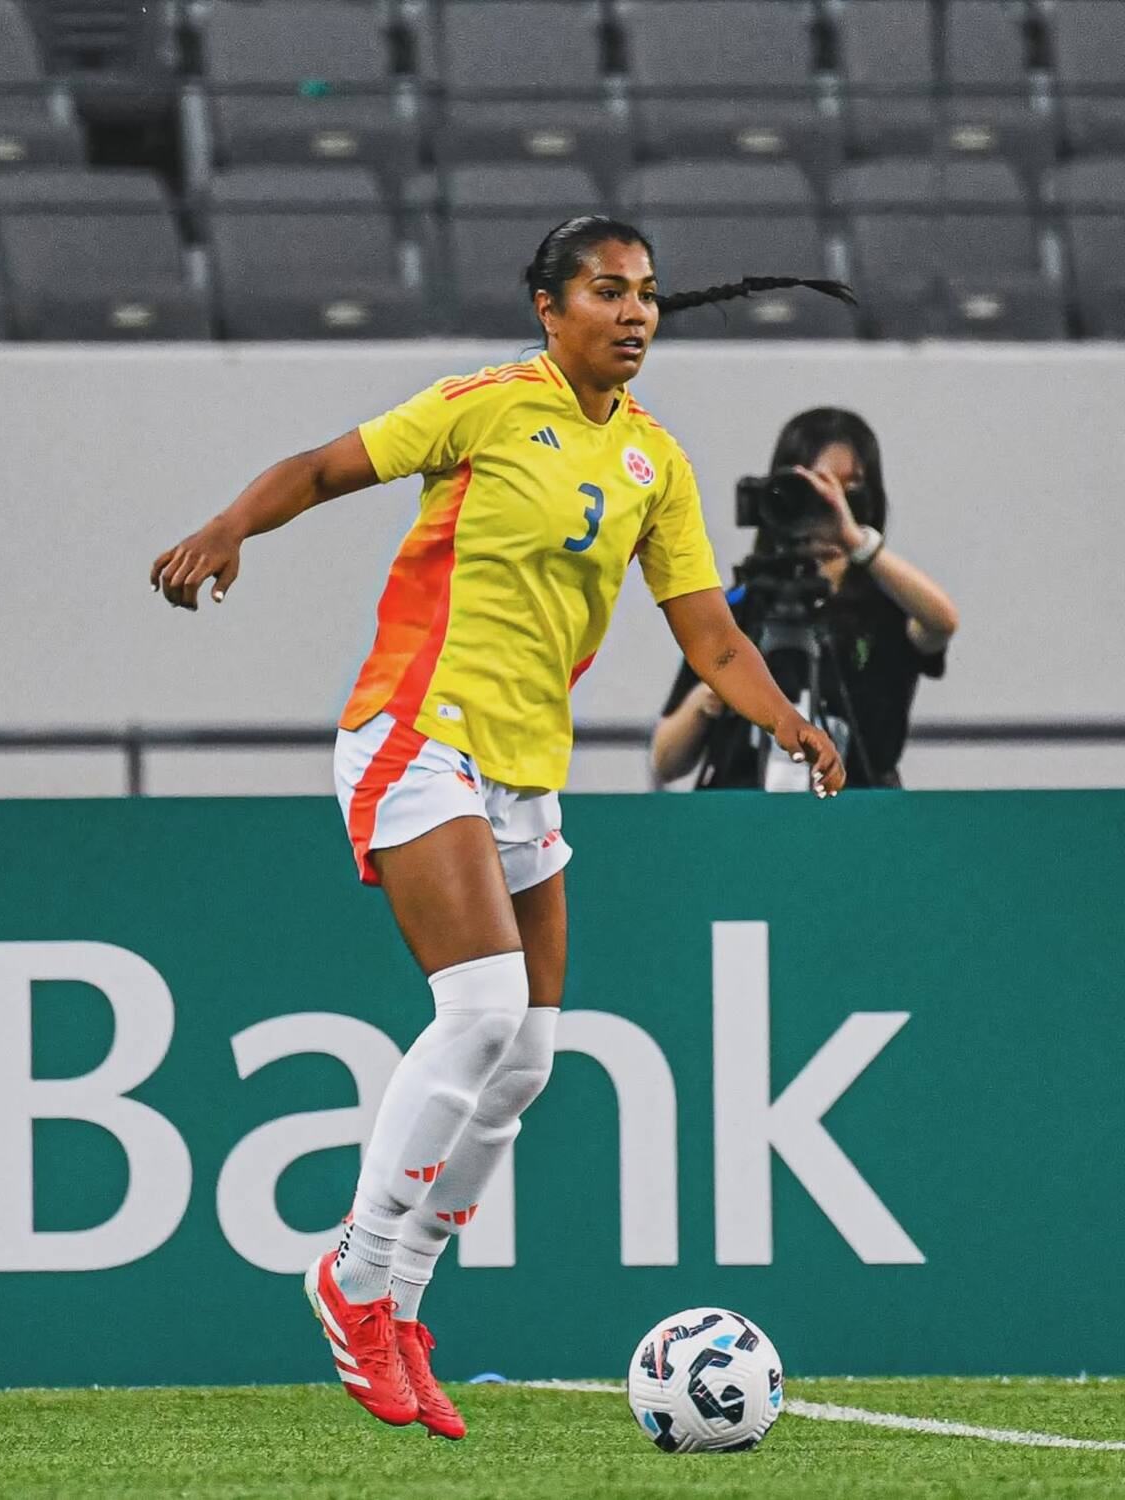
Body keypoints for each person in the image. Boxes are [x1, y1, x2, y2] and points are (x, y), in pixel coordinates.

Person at [149, 218, 847, 1441]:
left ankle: (403, 1302)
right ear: (546, 306)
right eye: (605, 291)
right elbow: (320, 468)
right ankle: (353, 1277)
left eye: (646, 295)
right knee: (474, 1017)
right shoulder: (482, 408)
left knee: (523, 1061)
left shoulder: (655, 466)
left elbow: (709, 638)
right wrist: (227, 528)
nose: (634, 313)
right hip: (418, 732)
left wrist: (790, 720)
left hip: (525, 771)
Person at [652, 408, 959, 790]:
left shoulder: (887, 606)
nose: (830, 504)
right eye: (813, 488)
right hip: (745, 821)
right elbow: (665, 760)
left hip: (857, 817)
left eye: (848, 489)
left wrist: (855, 540)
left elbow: (942, 621)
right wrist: (712, 694)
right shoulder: (745, 604)